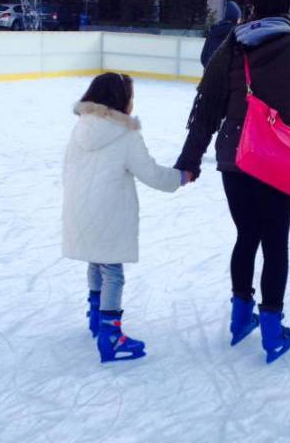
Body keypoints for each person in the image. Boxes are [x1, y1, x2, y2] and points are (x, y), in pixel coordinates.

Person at [174, 0, 290, 364]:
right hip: (278, 163)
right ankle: (271, 328)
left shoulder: (231, 49)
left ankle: (240, 318)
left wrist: (190, 159)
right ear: (288, 7)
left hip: (235, 161)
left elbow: (206, 108)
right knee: (275, 243)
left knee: (246, 236)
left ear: (251, 6)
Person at [62, 73, 193, 363]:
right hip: (108, 210)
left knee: (96, 261)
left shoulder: (80, 126)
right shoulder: (125, 134)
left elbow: (67, 168)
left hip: (79, 208)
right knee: (113, 273)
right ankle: (110, 334)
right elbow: (150, 173)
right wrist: (179, 178)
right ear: (120, 100)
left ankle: (96, 317)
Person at [201, 1, 241, 68]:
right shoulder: (236, 33)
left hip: (211, 74)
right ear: (236, 18)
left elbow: (203, 58)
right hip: (227, 75)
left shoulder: (213, 30)